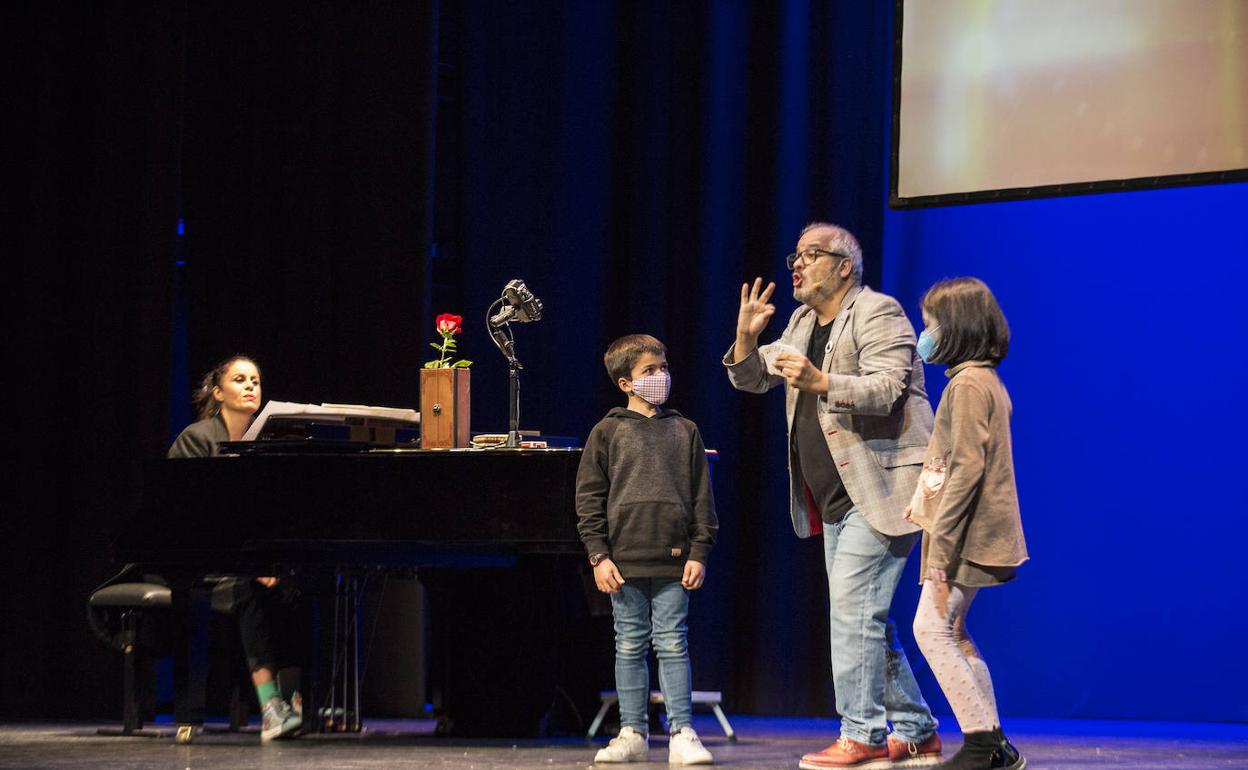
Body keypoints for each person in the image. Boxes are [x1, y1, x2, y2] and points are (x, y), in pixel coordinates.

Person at [724, 223, 942, 769]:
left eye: (811, 255)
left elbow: (889, 386)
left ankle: (863, 734)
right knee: (865, 617)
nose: (797, 265)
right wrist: (748, 338)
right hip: (834, 500)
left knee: (853, 615)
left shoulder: (878, 312)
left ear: (844, 266)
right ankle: (917, 730)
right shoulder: (800, 322)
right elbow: (751, 380)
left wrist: (823, 383)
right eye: (795, 255)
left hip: (885, 488)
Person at [576, 334, 718, 765]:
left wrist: (699, 551)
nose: (661, 376)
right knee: (629, 644)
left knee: (673, 643)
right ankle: (632, 731)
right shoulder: (607, 432)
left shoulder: (685, 430)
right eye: (649, 371)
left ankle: (682, 732)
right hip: (624, 561)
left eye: (663, 367)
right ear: (625, 383)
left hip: (674, 559)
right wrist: (598, 555)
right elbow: (589, 499)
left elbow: (702, 499)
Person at [906, 278, 1028, 770]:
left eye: (931, 324)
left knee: (930, 629)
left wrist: (941, 550)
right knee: (952, 631)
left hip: (967, 535)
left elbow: (967, 469)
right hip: (969, 532)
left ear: (956, 328)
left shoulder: (969, 384)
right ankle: (995, 744)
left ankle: (981, 744)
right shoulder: (980, 381)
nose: (925, 333)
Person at [168, 355, 304, 742]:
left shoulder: (270, 444)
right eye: (240, 379)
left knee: (299, 586)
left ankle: (300, 700)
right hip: (202, 560)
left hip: (253, 559)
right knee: (249, 588)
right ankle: (269, 707)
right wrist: (248, 562)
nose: (250, 387)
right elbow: (184, 515)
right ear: (218, 392)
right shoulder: (197, 438)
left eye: (256, 381)